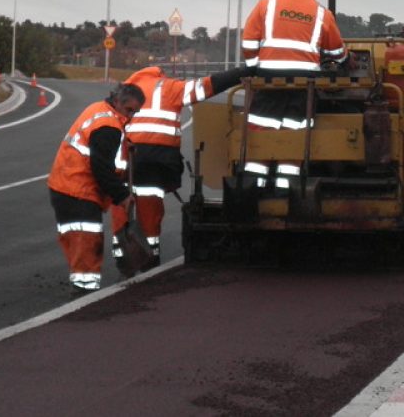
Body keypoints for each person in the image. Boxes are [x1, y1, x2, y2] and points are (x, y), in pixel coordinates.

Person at [112, 65, 253, 268]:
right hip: (158, 159)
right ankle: (150, 256)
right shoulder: (168, 86)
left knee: (120, 203)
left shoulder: (125, 89)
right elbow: (207, 86)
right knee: (150, 205)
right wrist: (242, 73)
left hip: (126, 156)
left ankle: (122, 255)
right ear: (159, 74)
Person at [240, 0, 347, 190]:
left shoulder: (266, 4)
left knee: (260, 133)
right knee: (294, 136)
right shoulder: (321, 13)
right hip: (303, 87)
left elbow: (248, 41)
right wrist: (347, 60)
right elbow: (337, 51)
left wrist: (255, 67)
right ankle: (285, 191)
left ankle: (251, 192)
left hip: (268, 83)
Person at [47, 83, 145, 295]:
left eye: (135, 112)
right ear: (118, 102)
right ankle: (84, 295)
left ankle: (83, 286)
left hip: (66, 186)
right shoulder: (108, 125)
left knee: (80, 243)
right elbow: (101, 167)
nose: (131, 117)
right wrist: (122, 195)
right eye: (129, 110)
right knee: (87, 244)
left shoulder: (100, 109)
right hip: (77, 190)